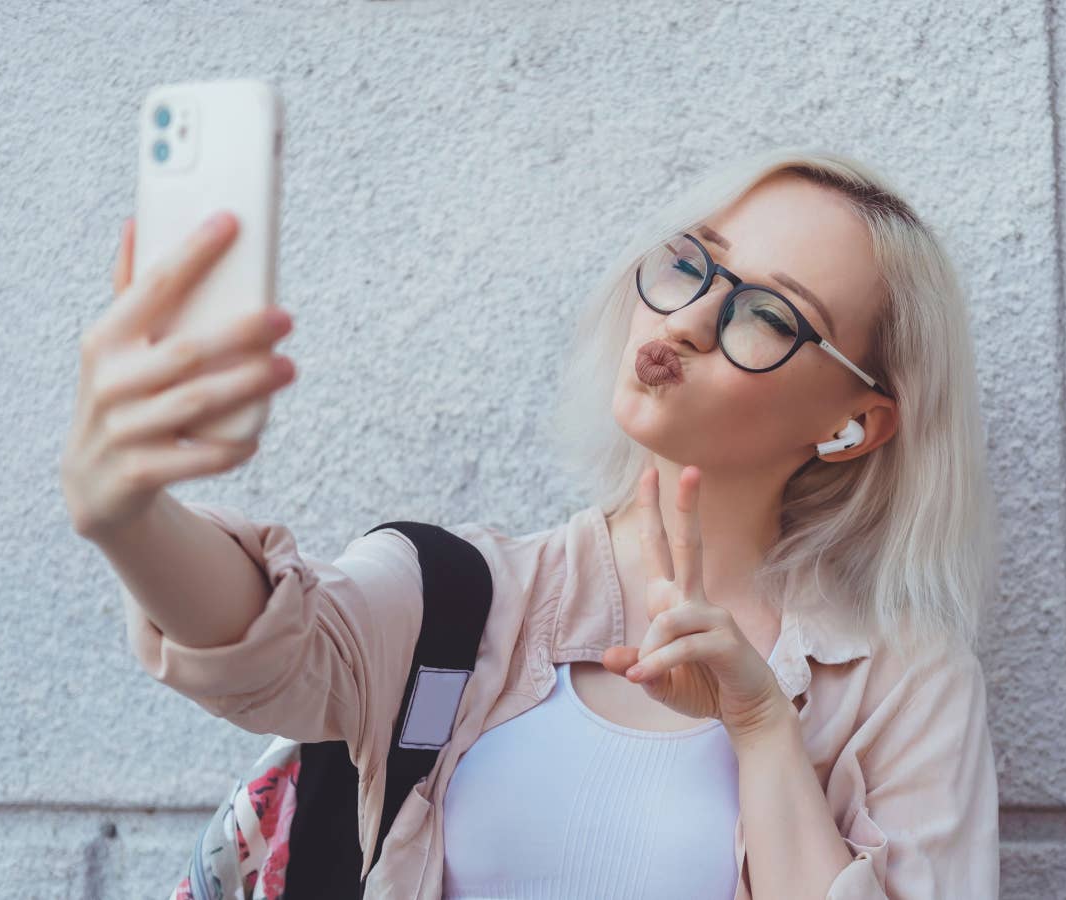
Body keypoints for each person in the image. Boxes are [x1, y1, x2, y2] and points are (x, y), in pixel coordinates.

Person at [61, 146, 1000, 899]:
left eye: (769, 315)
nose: (689, 319)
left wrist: (761, 727)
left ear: (852, 425)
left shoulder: (903, 686)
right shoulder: (460, 598)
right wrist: (128, 514)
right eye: (693, 262)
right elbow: (268, 642)